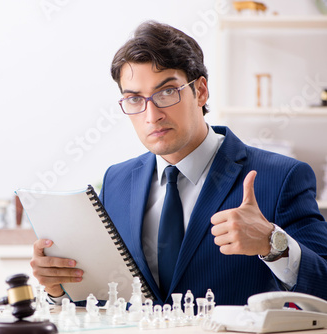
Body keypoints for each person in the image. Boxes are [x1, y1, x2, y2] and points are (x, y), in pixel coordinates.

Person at [30, 21, 327, 306]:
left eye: (167, 92)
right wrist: (61, 289)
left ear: (200, 91)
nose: (151, 115)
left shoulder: (281, 177)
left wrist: (273, 245)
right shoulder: (117, 181)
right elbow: (110, 297)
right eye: (134, 99)